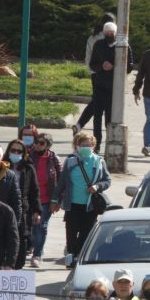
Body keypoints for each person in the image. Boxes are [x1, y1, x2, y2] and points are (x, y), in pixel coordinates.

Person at [60, 131, 112, 266]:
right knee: (71, 233)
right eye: (83, 145)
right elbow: (61, 182)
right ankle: (70, 257)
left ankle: (78, 256)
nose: (86, 147)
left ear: (94, 146)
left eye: (89, 145)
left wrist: (97, 187)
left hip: (90, 205)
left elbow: (107, 180)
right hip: (72, 204)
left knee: (86, 233)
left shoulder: (99, 161)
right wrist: (55, 200)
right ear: (77, 146)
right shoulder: (71, 161)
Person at [79, 20, 121, 140]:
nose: (109, 35)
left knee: (110, 116)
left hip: (114, 87)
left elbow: (129, 66)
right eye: (107, 33)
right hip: (100, 84)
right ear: (103, 33)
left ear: (115, 33)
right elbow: (92, 64)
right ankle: (96, 142)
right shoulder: (98, 45)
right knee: (97, 115)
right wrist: (102, 66)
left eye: (111, 33)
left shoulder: (122, 46)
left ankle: (110, 140)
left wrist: (114, 66)